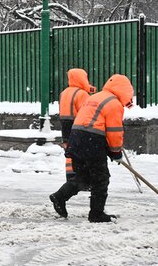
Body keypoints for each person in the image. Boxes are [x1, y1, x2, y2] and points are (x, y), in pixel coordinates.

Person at [49, 74, 133, 223]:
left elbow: (94, 123)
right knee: (101, 178)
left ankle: (60, 196)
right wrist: (115, 151)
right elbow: (114, 131)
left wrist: (111, 150)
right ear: (125, 91)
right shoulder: (113, 103)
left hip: (76, 137)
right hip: (91, 140)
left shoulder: (97, 97)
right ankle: (96, 214)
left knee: (85, 176)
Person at [57, 68, 95, 180]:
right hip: (78, 124)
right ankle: (82, 178)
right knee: (83, 152)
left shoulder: (64, 92)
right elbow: (87, 112)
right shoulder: (81, 94)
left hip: (65, 125)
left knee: (69, 151)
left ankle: (70, 177)